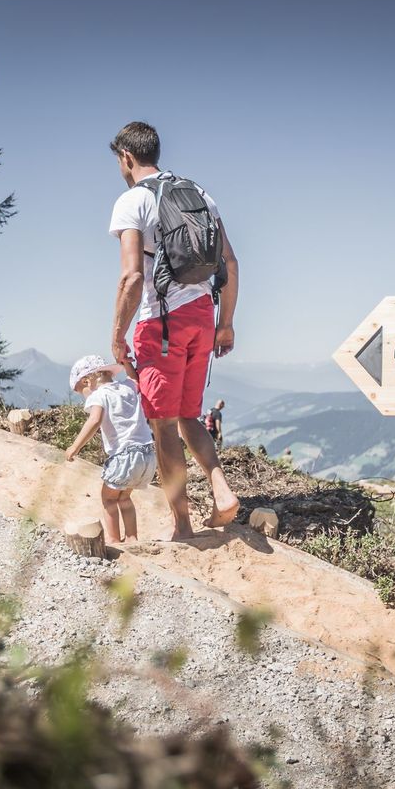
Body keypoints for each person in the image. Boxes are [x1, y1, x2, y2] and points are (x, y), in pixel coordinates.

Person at [107, 121, 240, 539]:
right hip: (203, 315)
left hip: (160, 323)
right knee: (189, 415)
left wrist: (117, 335)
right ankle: (220, 489)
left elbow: (131, 279)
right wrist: (226, 325)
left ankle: (182, 525)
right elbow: (230, 264)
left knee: (164, 424)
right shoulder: (199, 194)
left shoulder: (132, 201)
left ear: (126, 157)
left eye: (118, 161)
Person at [65, 354, 157, 544]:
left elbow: (94, 420)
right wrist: (127, 363)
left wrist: (75, 447)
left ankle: (114, 540)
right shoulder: (126, 387)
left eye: (81, 390)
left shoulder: (99, 395)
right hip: (147, 455)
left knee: (108, 499)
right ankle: (132, 538)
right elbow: (134, 379)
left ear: (87, 380)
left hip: (124, 457)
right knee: (124, 499)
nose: (84, 395)